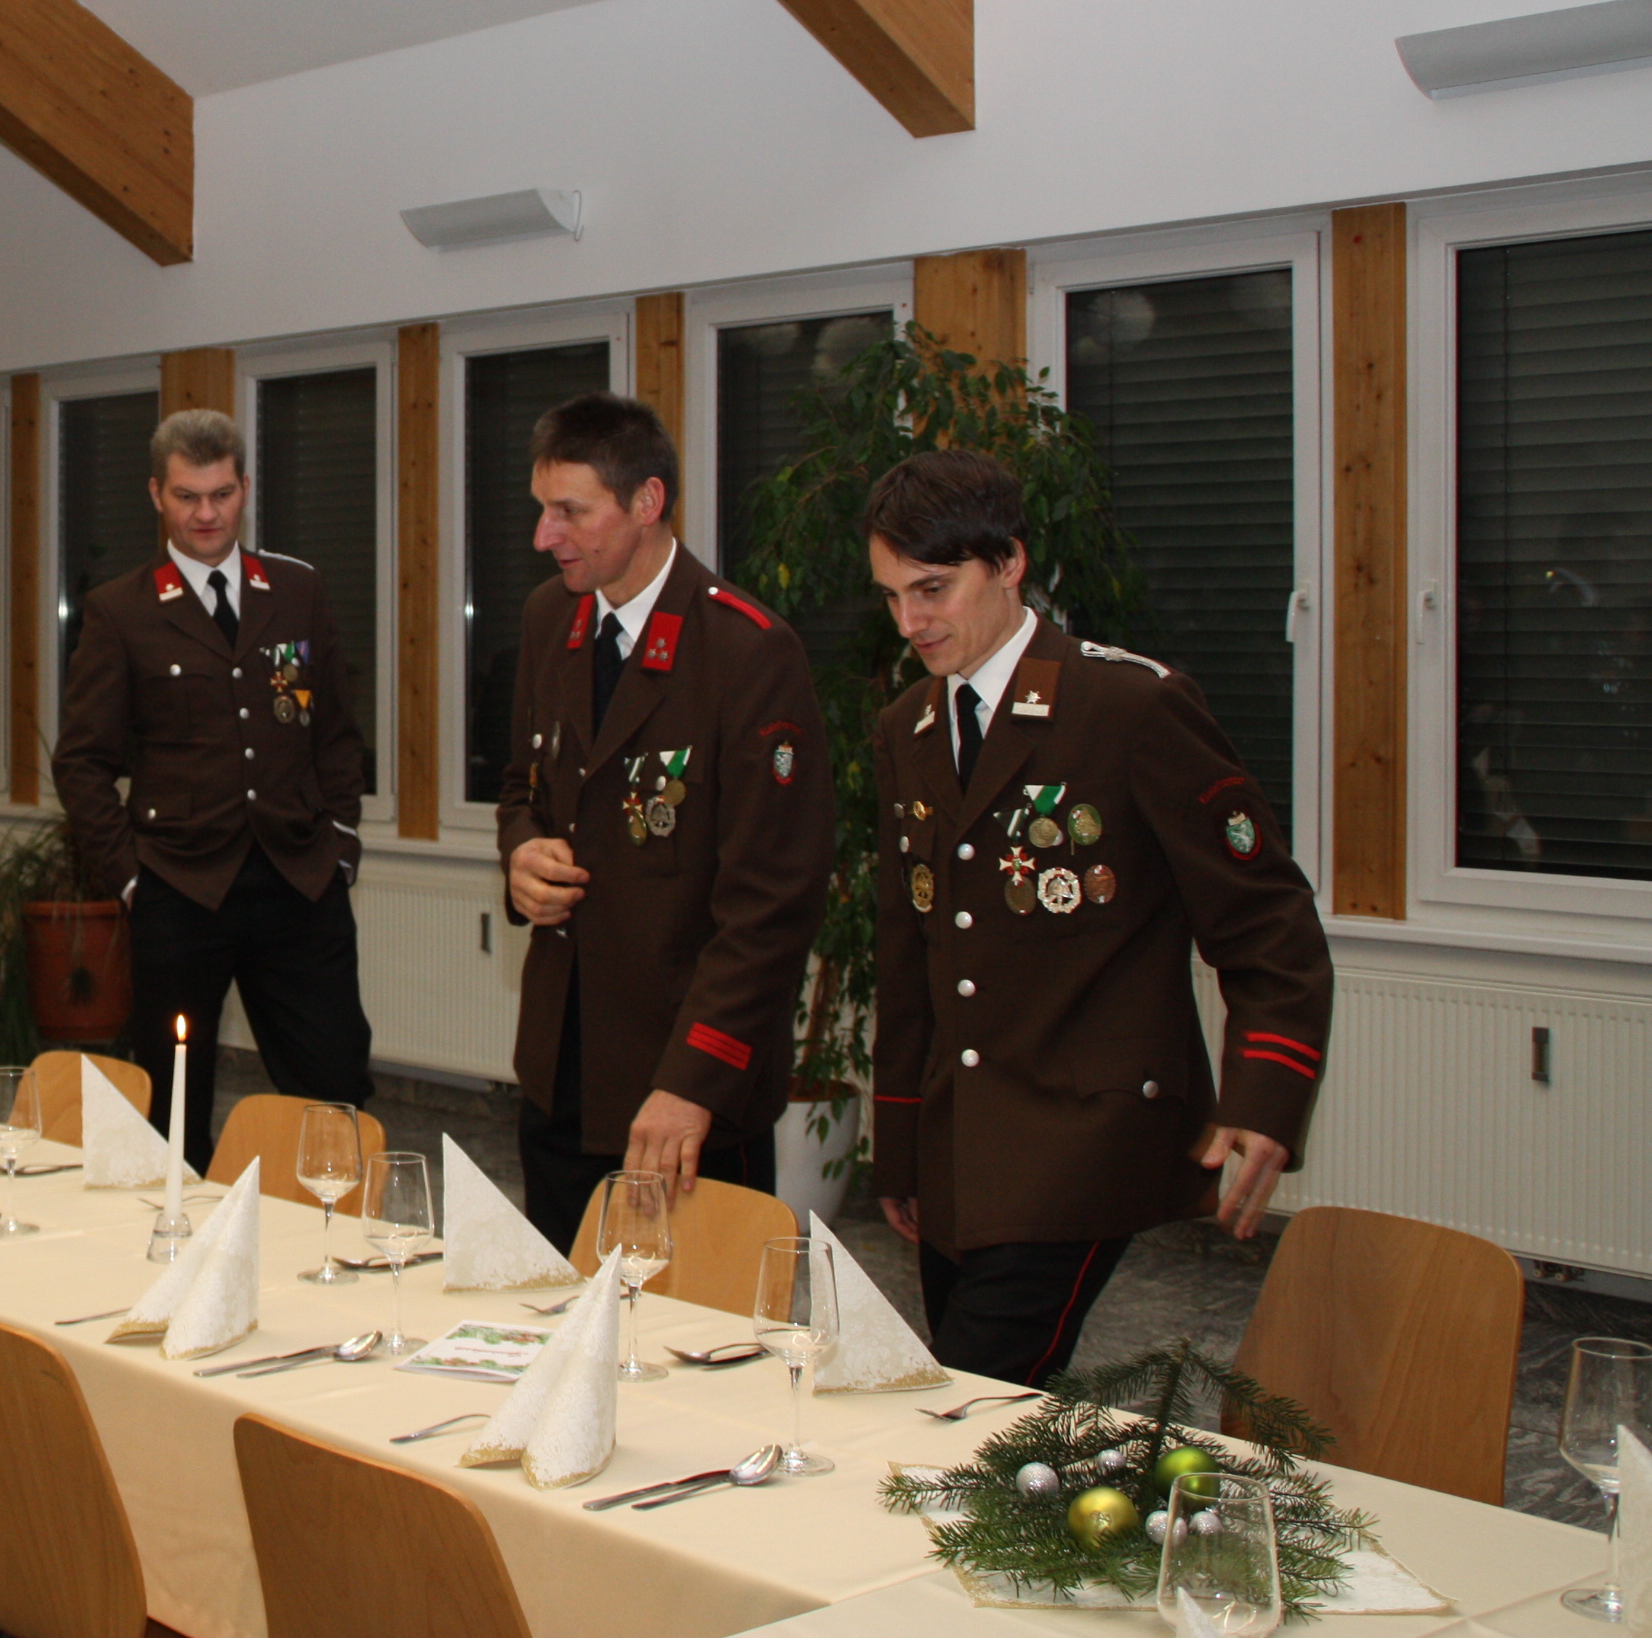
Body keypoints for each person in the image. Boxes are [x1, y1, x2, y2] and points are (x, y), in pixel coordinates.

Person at [864, 450, 1333, 1386]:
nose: (911, 622)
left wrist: (1264, 1100)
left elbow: (1266, 920)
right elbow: (911, 953)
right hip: (963, 1141)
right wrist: (903, 1145)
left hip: (1085, 1137)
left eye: (933, 589)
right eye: (891, 597)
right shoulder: (907, 729)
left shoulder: (1130, 707)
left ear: (1009, 563)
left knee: (971, 1398)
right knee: (975, 1401)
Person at [496, 393, 833, 1251]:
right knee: (563, 1307)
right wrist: (521, 853)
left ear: (647, 501)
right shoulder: (549, 618)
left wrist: (694, 1081)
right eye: (542, 509)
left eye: (569, 511)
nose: (543, 536)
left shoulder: (747, 650)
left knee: (697, 1322)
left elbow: (772, 903)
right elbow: (522, 786)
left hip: (683, 1085)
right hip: (561, 1068)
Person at [53, 408, 372, 1171]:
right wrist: (131, 878)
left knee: (334, 1088)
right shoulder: (122, 609)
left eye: (222, 495)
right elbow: (83, 762)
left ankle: (328, 1229)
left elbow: (333, 730)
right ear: (156, 494)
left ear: (245, 489)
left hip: (299, 882)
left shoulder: (296, 590)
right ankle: (180, 1237)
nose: (207, 514)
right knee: (174, 1106)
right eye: (188, 496)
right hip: (180, 888)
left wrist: (342, 843)